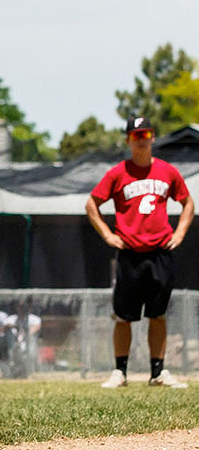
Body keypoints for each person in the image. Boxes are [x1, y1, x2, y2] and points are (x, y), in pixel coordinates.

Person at [86, 117, 194, 389]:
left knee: (157, 315)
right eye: (136, 135)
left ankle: (157, 372)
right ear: (128, 140)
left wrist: (179, 233)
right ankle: (119, 372)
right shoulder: (118, 173)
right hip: (130, 253)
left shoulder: (168, 172)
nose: (141, 139)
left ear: (153, 136)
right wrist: (108, 235)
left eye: (145, 133)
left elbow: (187, 202)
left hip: (160, 252)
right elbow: (92, 203)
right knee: (124, 316)